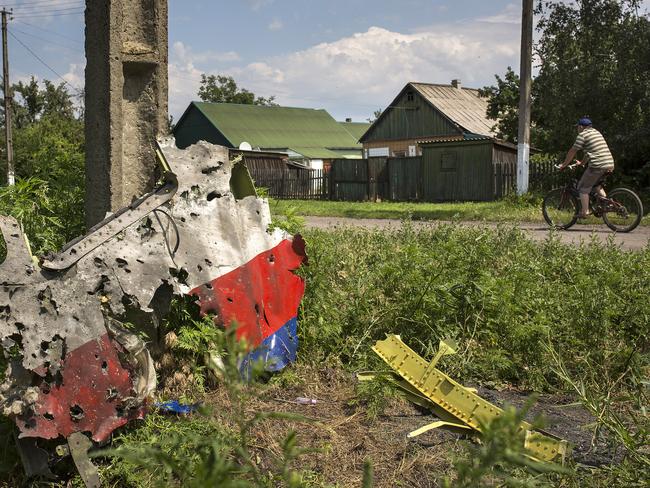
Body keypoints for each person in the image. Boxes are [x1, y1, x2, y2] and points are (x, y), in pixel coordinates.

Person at [558, 117, 615, 218]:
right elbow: (590, 153)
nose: (577, 129)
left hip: (598, 165)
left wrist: (564, 165)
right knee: (596, 186)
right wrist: (582, 163)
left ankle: (585, 212)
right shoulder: (596, 132)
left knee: (582, 188)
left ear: (580, 127)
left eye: (577, 127)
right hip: (609, 163)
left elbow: (573, 151)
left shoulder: (582, 135)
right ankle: (608, 204)